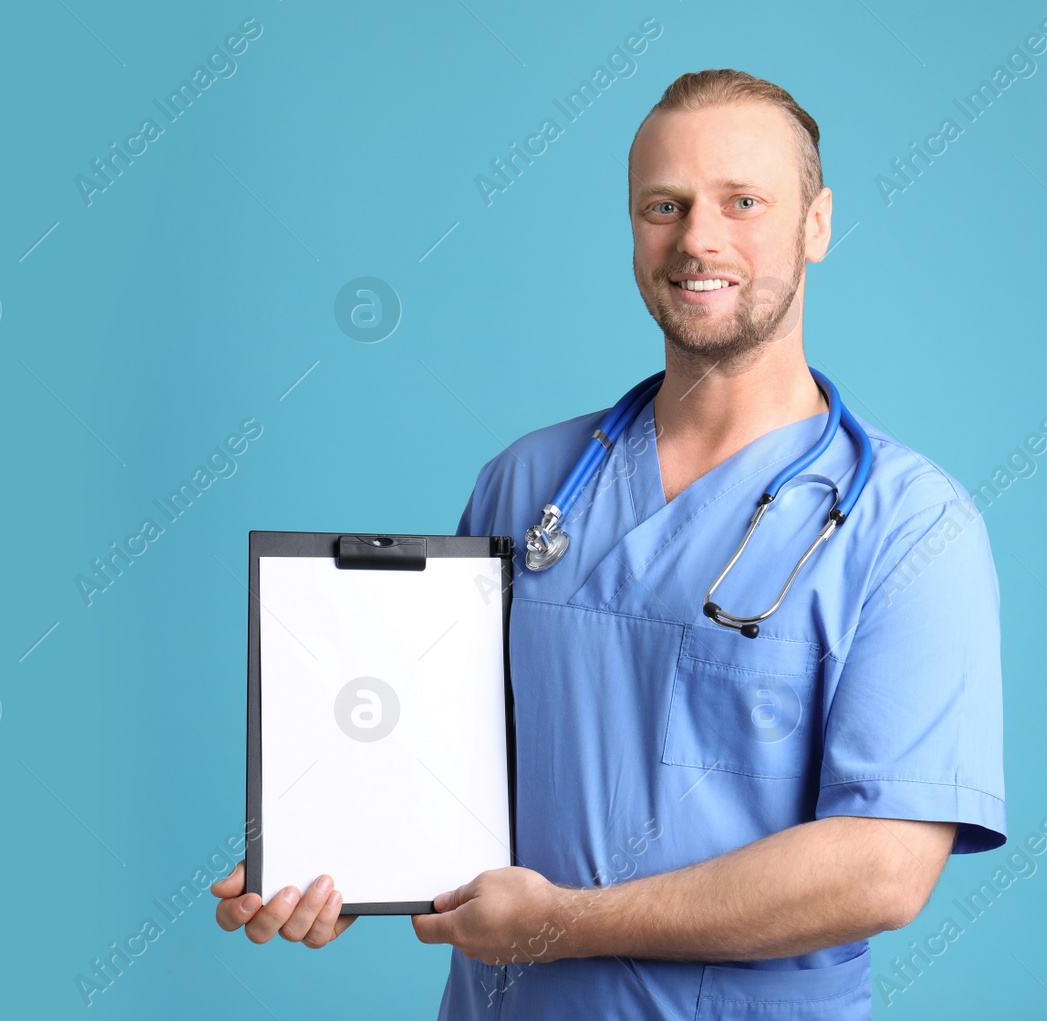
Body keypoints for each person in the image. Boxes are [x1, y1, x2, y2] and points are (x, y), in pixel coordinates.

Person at [213, 68, 1005, 1019]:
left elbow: (881, 871)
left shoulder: (911, 526)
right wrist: (353, 863)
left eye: (742, 201)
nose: (698, 240)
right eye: (663, 205)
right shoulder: (527, 483)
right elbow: (445, 772)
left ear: (817, 223)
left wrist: (565, 922)